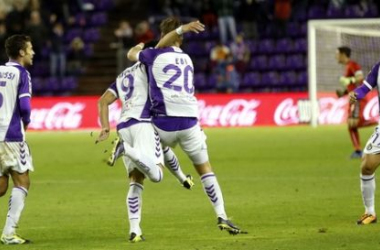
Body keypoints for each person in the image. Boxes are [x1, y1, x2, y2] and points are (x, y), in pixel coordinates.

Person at [127, 17, 245, 235]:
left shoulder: (152, 55)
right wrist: (179, 32)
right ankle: (221, 215)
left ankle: (135, 227)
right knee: (205, 170)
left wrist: (140, 47)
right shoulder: (188, 60)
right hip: (190, 123)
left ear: (163, 36)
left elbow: (132, 56)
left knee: (138, 174)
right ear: (180, 40)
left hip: (162, 124)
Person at [95, 21, 204, 242]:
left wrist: (105, 126)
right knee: (156, 175)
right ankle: (125, 150)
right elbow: (149, 52)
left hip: (123, 126)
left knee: (136, 180)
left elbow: (103, 101)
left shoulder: (124, 75)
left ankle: (135, 230)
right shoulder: (151, 64)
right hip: (143, 122)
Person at [0, 34, 35, 245]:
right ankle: (8, 233)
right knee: (22, 182)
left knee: (2, 187)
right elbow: (24, 107)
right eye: (30, 48)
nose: (33, 52)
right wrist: (26, 122)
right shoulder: (22, 74)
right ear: (21, 52)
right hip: (12, 136)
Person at [349, 61, 380, 225]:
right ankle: (370, 212)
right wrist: (356, 94)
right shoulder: (378, 68)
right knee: (367, 165)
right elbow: (365, 88)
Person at [335, 46, 375, 159]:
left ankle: (376, 121)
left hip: (357, 98)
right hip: (353, 98)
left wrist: (349, 80)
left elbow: (360, 77)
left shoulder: (353, 65)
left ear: (343, 54)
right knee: (351, 125)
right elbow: (352, 85)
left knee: (353, 124)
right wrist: (343, 93)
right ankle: (357, 151)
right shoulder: (348, 66)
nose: (336, 56)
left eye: (337, 54)